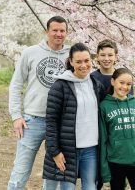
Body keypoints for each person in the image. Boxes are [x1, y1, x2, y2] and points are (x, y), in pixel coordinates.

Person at [8, 16, 70, 190]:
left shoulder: (70, 55)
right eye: (55, 30)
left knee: (52, 176)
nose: (58, 34)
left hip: (59, 123)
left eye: (62, 31)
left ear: (66, 33)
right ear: (47, 32)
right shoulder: (30, 52)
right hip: (32, 121)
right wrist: (16, 116)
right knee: (20, 172)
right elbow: (16, 84)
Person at [43, 42, 106, 190]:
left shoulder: (96, 85)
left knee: (90, 187)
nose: (83, 65)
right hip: (68, 150)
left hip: (91, 148)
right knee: (67, 188)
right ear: (71, 62)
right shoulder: (60, 86)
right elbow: (51, 121)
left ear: (91, 60)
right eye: (78, 62)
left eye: (86, 61)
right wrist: (55, 151)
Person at [99, 68, 135, 190]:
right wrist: (104, 170)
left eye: (129, 84)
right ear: (113, 82)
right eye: (121, 82)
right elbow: (103, 140)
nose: (125, 87)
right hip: (115, 161)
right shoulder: (104, 106)